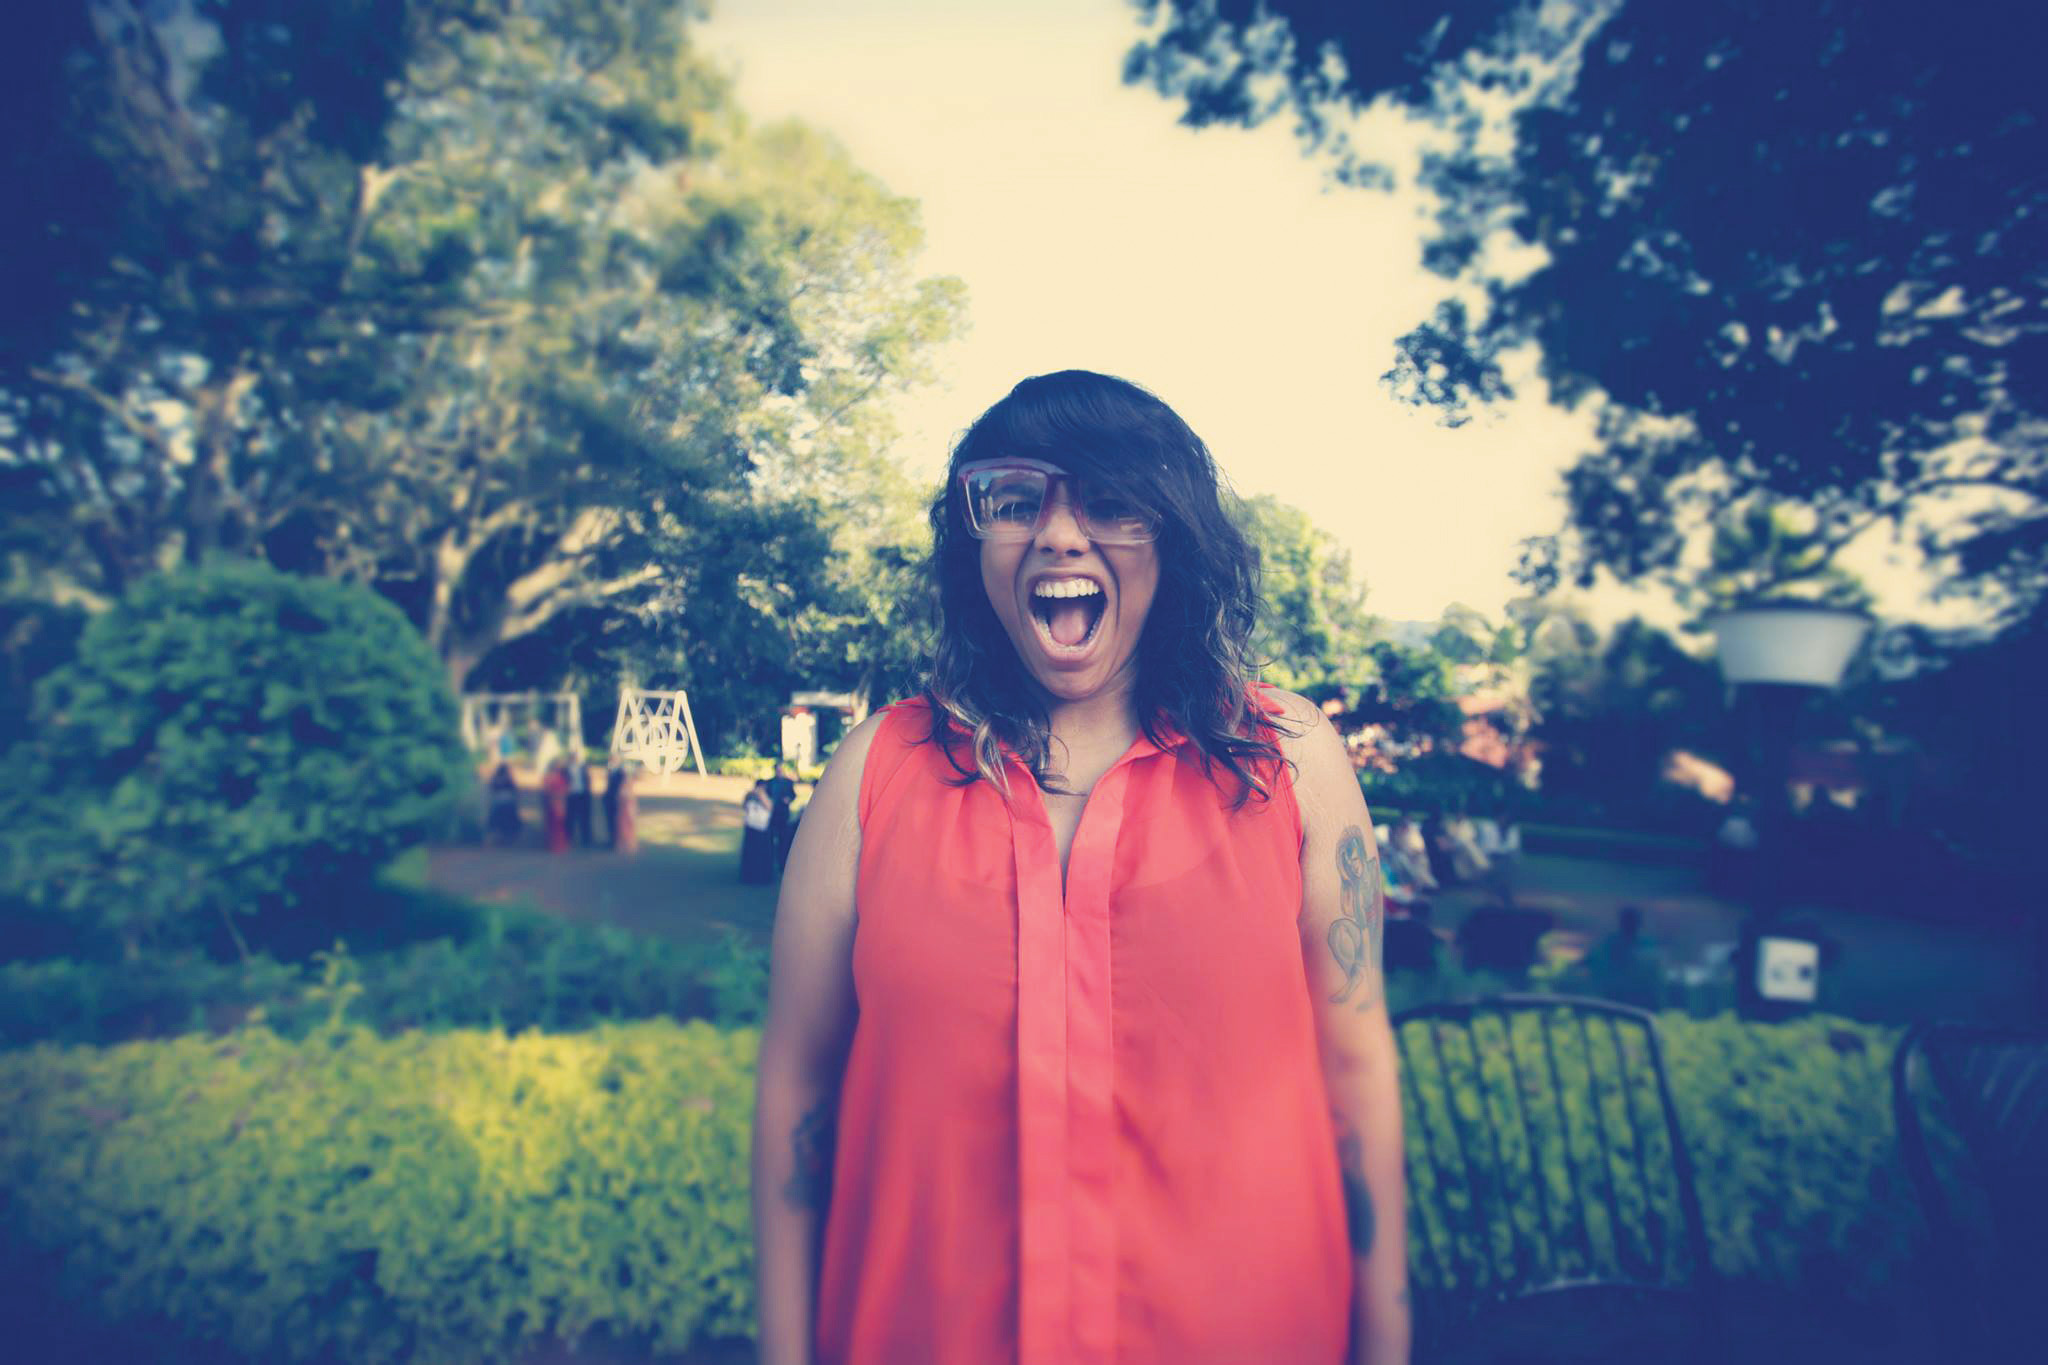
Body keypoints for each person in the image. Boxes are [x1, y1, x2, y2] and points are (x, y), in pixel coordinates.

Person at [751, 371, 1411, 1365]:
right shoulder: (871, 773)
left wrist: (1388, 1344)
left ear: (1172, 534)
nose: (1059, 534)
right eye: (1016, 501)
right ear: (975, 542)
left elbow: (1354, 1070)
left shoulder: (1290, 759)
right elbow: (798, 1082)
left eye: (1108, 501)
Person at [765, 763, 799, 873]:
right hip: (771, 815)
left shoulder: (788, 782)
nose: (779, 772)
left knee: (783, 841)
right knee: (769, 840)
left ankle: (782, 864)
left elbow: (793, 795)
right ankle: (769, 863)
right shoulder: (769, 782)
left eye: (781, 770)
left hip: (783, 815)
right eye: (777, 770)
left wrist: (788, 799)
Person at [740, 781, 776, 884]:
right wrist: (750, 794)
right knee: (750, 856)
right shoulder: (750, 797)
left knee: (761, 856)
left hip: (762, 831)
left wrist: (761, 794)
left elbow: (769, 807)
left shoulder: (768, 798)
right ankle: (749, 876)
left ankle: (762, 877)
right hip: (751, 829)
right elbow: (744, 806)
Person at [486, 762, 522, 845]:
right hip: (504, 802)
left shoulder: (499, 779)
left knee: (500, 819)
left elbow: (514, 791)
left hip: (503, 803)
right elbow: (514, 791)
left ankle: (504, 836)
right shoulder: (504, 779)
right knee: (504, 819)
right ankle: (505, 836)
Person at [541, 758, 570, 854]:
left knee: (558, 826)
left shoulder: (558, 777)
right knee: (555, 825)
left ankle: (558, 845)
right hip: (554, 804)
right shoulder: (552, 778)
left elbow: (564, 791)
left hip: (557, 804)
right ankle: (555, 845)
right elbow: (547, 791)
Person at [612, 760, 638, 855]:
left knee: (627, 824)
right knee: (622, 825)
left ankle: (627, 843)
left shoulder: (628, 785)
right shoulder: (623, 785)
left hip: (627, 806)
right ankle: (623, 843)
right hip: (624, 807)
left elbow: (629, 798)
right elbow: (621, 797)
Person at [566, 755, 593, 847]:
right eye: (572, 757)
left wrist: (588, 792)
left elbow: (588, 780)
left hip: (582, 795)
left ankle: (586, 839)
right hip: (571, 796)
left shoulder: (583, 767)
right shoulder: (566, 769)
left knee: (584, 818)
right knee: (571, 818)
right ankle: (570, 838)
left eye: (575, 757)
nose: (574, 759)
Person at [602, 755, 625, 849]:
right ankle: (612, 840)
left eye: (613, 760)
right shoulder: (609, 771)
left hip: (618, 800)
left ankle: (618, 841)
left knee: (618, 821)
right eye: (610, 760)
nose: (611, 762)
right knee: (610, 820)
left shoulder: (621, 772)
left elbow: (622, 786)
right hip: (609, 799)